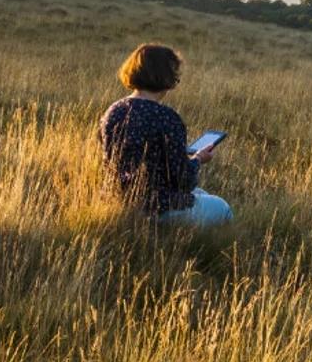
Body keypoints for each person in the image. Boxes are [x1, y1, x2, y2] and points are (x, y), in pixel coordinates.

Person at [97, 44, 233, 226]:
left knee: (202, 194)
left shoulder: (113, 110)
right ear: (166, 78)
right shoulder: (167, 117)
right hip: (157, 207)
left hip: (116, 200)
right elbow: (183, 181)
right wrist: (198, 159)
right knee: (221, 206)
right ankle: (213, 247)